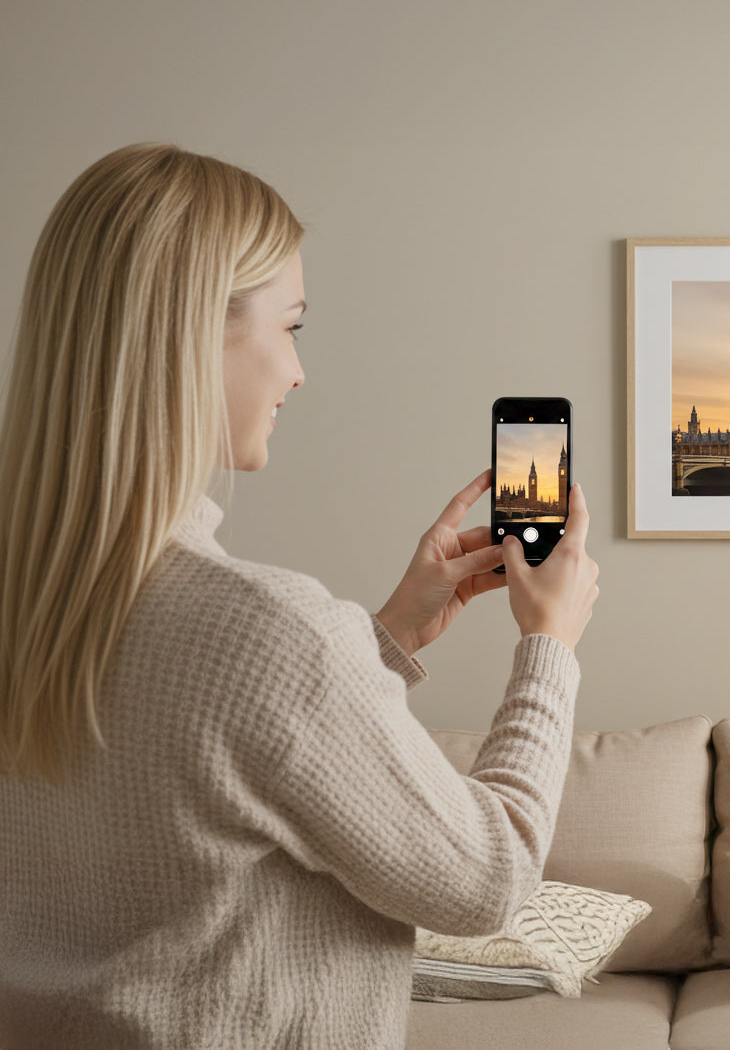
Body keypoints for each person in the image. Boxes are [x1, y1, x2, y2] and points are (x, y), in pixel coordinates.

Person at [0, 143, 600, 1049]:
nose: (298, 372)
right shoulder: (271, 630)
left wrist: (389, 635)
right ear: (193, 330)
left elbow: (206, 759)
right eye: (291, 328)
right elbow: (488, 878)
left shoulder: (33, 603)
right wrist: (549, 645)